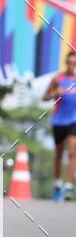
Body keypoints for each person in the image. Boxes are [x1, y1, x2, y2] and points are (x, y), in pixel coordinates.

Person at [43, 51, 76, 201]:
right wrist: (54, 93)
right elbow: (45, 97)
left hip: (73, 121)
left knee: (73, 152)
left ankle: (68, 187)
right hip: (59, 121)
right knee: (58, 154)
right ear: (66, 63)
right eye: (70, 63)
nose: (72, 66)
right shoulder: (58, 79)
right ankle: (57, 184)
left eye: (74, 63)